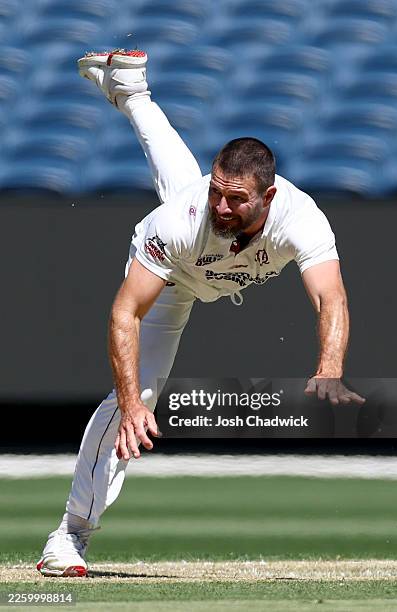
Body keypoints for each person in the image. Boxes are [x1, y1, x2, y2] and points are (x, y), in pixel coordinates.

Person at [36, 49, 365, 577]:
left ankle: (132, 90)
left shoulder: (301, 218)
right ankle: (70, 534)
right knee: (136, 399)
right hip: (172, 280)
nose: (222, 207)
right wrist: (131, 401)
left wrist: (329, 368)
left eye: (236, 199)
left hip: (202, 257)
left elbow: (332, 298)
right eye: (217, 192)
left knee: (178, 182)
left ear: (268, 197)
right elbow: (125, 314)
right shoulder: (181, 221)